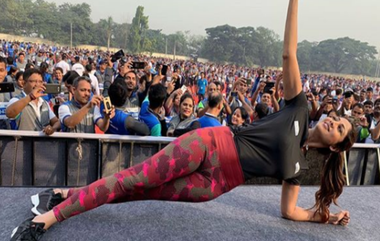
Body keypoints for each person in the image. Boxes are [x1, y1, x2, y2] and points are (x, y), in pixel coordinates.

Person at [11, 2, 354, 240]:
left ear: (337, 145)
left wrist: (324, 216)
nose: (334, 121)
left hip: (216, 184)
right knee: (130, 180)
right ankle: (48, 219)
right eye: (337, 117)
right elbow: (288, 53)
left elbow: (289, 212)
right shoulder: (297, 108)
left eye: (340, 127)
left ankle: (64, 194)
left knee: (137, 192)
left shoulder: (297, 167)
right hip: (210, 145)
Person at [5, 68, 60, 134]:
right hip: (22, 143)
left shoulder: (44, 102)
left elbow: (56, 122)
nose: (37, 85)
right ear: (24, 83)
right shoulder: (16, 100)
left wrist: (52, 128)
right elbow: (9, 113)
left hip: (43, 143)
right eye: (34, 81)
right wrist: (30, 97)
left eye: (40, 81)